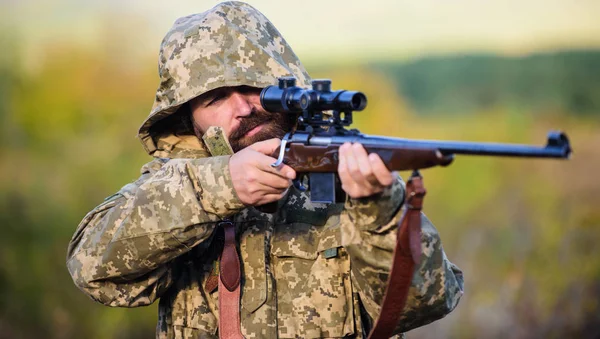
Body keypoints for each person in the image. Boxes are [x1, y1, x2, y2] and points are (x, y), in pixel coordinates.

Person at [66, 2, 464, 338]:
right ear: (189, 118)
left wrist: (380, 211)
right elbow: (92, 269)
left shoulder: (351, 180)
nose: (243, 108)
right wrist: (220, 189)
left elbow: (425, 302)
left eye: (253, 87)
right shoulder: (178, 188)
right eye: (217, 98)